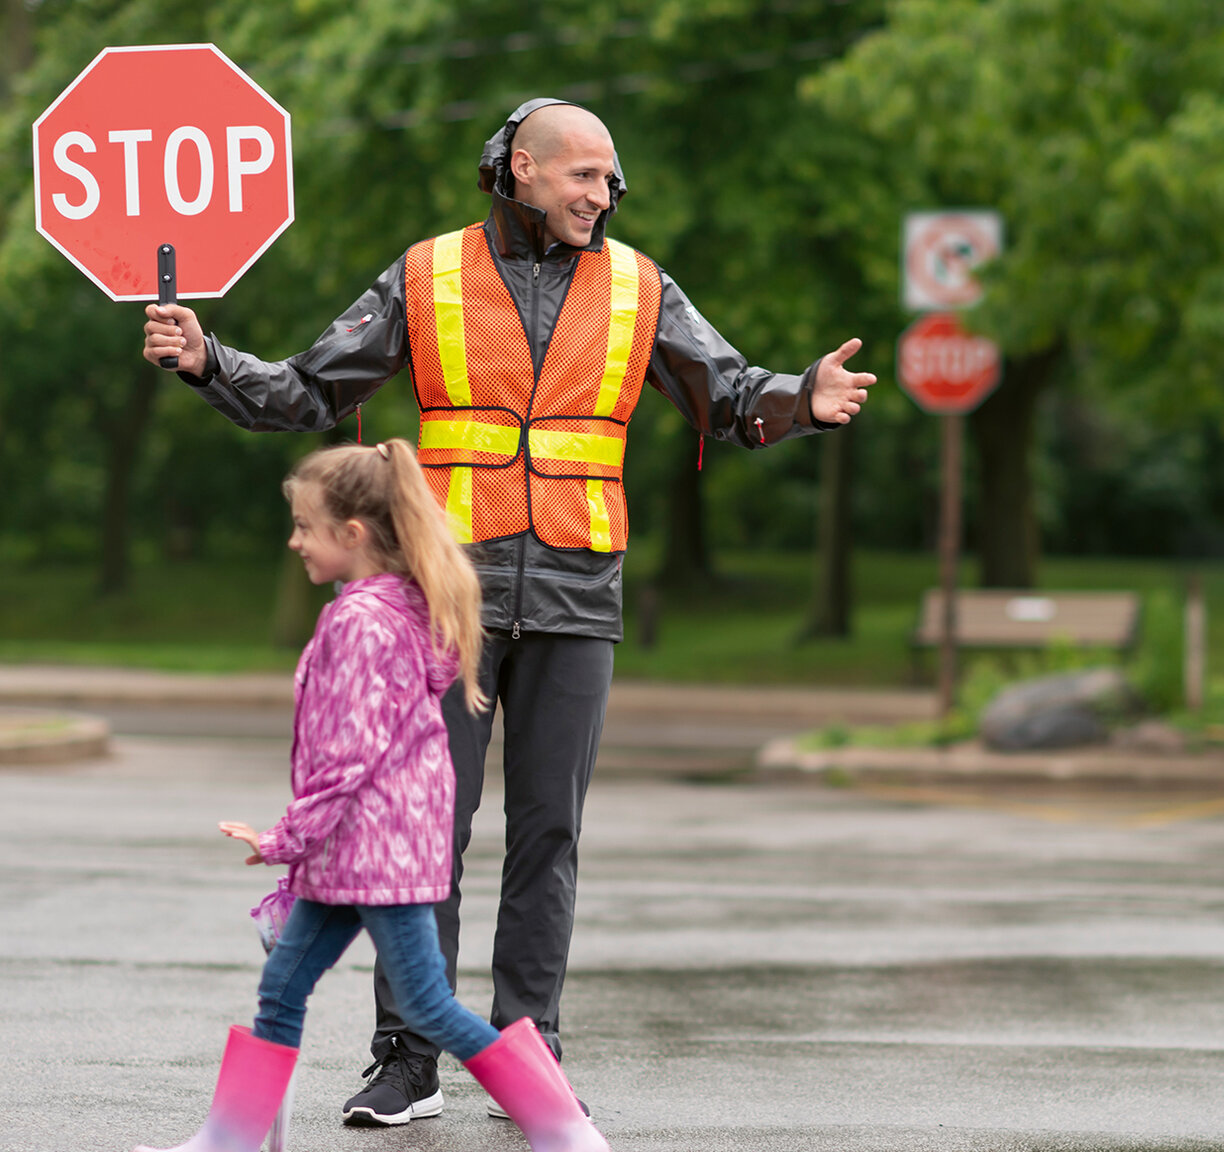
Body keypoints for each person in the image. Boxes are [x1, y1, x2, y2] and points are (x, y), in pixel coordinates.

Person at [141, 98, 875, 1126]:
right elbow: (309, 390)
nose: (604, 195)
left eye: (611, 180)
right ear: (519, 168)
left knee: (549, 833)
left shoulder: (638, 285)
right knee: (422, 829)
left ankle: (530, 1051)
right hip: (447, 599)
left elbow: (733, 394)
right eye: (584, 175)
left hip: (580, 593)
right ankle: (408, 1060)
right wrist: (208, 359)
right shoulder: (428, 273)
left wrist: (803, 395)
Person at [137, 441, 605, 1152]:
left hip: (377, 860)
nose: (293, 540)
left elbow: (346, 757)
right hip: (354, 857)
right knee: (282, 990)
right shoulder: (394, 611)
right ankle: (225, 1141)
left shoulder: (360, 623)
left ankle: (563, 1129)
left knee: (430, 1006)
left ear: (351, 535)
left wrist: (283, 839)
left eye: (303, 526)